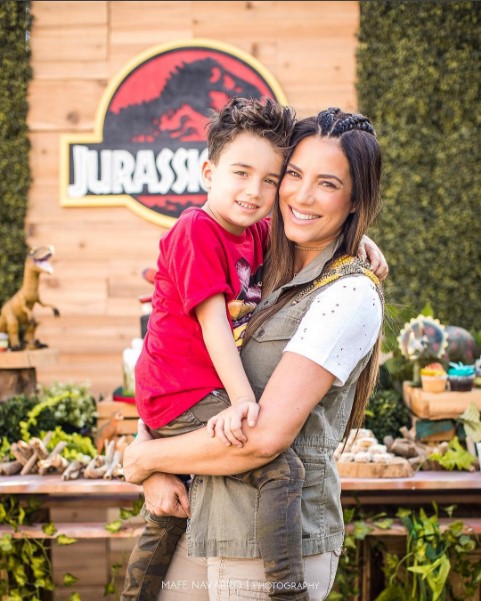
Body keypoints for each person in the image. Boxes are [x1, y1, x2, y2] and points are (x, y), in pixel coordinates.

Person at [123, 105, 385, 601]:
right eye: (295, 175)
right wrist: (152, 460)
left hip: (263, 545)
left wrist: (144, 458)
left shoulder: (345, 291)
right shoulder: (255, 254)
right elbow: (187, 348)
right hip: (208, 516)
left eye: (328, 184)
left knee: (279, 467)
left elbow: (263, 438)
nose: (300, 195)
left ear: (356, 200)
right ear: (210, 171)